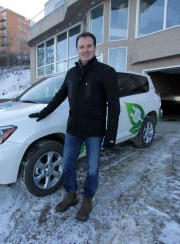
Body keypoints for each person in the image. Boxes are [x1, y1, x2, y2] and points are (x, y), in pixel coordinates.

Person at [29, 32, 120, 221]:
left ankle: (87, 198)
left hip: (94, 131)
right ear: (77, 50)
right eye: (81, 47)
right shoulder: (71, 73)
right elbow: (59, 96)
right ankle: (71, 194)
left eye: (89, 46)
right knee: (68, 164)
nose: (85, 50)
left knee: (93, 168)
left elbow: (114, 104)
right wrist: (44, 112)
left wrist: (111, 134)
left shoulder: (106, 72)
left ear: (95, 48)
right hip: (74, 130)